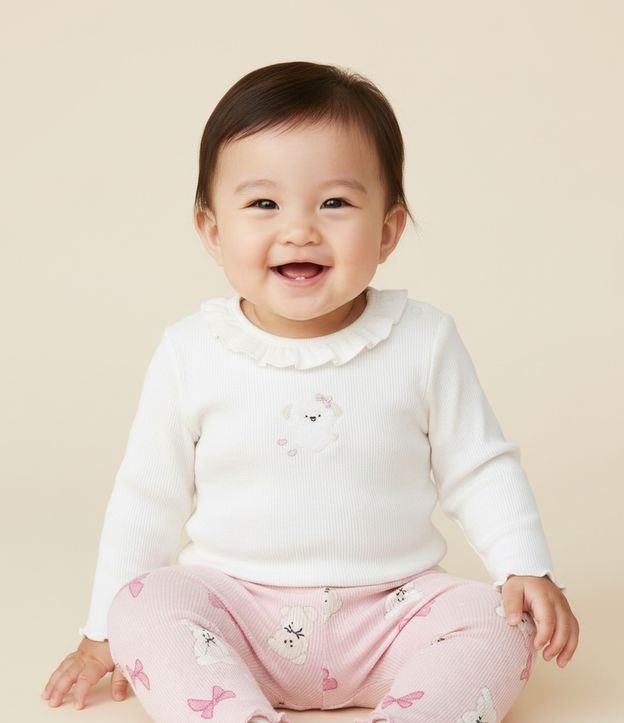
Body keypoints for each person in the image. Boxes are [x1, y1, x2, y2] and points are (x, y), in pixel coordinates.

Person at [41, 61, 579, 723]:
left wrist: (525, 564)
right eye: (264, 204)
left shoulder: (424, 340)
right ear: (213, 231)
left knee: (502, 621)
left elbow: (479, 464)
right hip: (236, 613)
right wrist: (102, 632)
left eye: (335, 203)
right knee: (141, 604)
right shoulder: (191, 350)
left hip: (393, 613)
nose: (300, 230)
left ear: (388, 230)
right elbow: (147, 497)